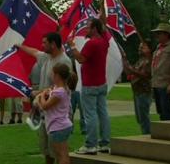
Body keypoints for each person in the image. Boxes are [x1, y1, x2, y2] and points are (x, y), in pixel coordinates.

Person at [17, 32, 72, 164]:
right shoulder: (46, 57)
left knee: (59, 152)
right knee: (46, 148)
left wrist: (39, 94)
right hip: (45, 114)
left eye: (45, 43)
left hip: (56, 115)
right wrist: (18, 45)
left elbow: (62, 86)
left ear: (53, 45)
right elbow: (34, 52)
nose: (42, 46)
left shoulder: (64, 61)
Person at [69, 17, 111, 155]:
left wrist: (72, 46)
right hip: (101, 83)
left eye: (88, 27)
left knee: (90, 115)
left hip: (90, 84)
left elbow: (81, 59)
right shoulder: (104, 41)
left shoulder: (91, 44)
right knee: (103, 113)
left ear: (94, 29)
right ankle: (105, 143)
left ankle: (90, 145)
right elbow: (103, 27)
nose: (86, 29)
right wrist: (101, 15)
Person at [38, 63, 73, 164]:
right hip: (62, 126)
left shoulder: (59, 92)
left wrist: (42, 96)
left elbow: (45, 106)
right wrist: (48, 92)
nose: (52, 76)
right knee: (64, 154)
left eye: (53, 74)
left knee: (60, 156)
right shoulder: (61, 89)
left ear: (57, 76)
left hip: (57, 127)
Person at [123, 40, 153, 134]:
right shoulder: (140, 60)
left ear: (149, 49)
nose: (140, 48)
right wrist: (124, 62)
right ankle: (145, 135)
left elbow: (146, 74)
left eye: (143, 47)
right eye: (139, 47)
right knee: (140, 118)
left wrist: (131, 70)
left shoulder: (149, 61)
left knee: (144, 118)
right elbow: (130, 73)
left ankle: (147, 137)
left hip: (144, 92)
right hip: (137, 92)